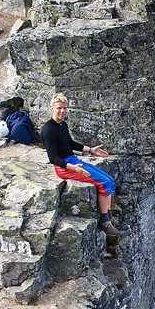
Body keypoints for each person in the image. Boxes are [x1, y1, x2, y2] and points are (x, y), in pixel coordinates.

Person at [41, 93, 119, 236]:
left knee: (110, 180)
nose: (62, 111)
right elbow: (53, 158)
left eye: (65, 108)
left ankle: (109, 216)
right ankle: (104, 222)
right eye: (59, 108)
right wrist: (73, 168)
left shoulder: (62, 125)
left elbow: (70, 143)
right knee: (103, 183)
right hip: (64, 167)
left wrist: (91, 150)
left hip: (73, 160)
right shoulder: (48, 130)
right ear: (52, 108)